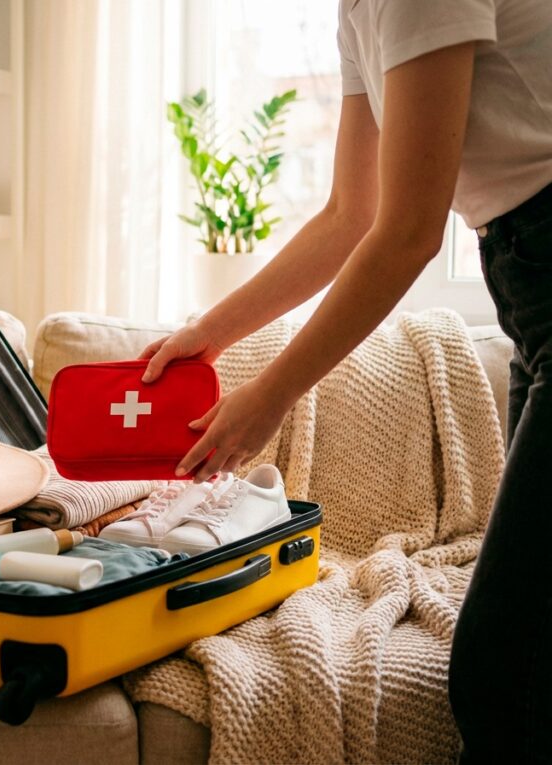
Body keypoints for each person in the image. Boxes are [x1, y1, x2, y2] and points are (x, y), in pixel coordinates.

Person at [140, 0, 552, 760]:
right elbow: (348, 215)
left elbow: (408, 234)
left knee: (502, 671)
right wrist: (212, 332)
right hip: (527, 283)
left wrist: (272, 395)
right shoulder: (359, 10)